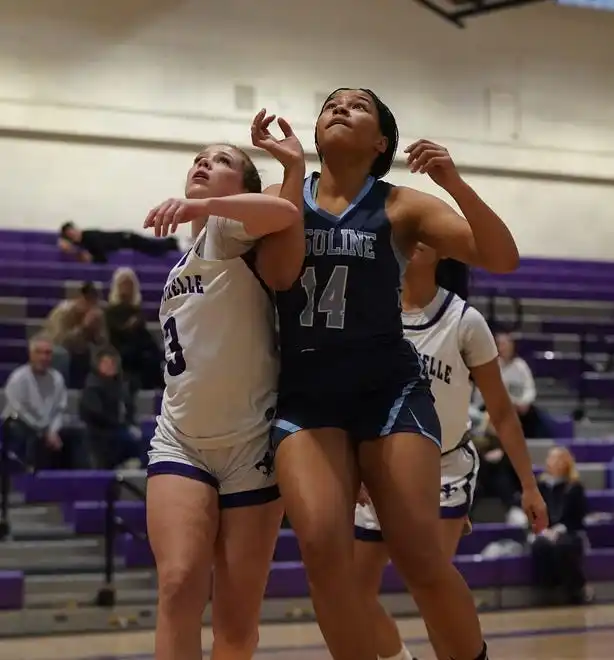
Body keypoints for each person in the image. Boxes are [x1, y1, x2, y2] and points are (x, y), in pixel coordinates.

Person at [270, 87, 526, 660]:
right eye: (331, 104)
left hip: (388, 391)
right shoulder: (280, 196)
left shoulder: (402, 206)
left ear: (381, 141)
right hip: (307, 396)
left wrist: (454, 185)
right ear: (314, 134)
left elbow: (502, 257)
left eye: (357, 106)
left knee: (419, 557)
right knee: (324, 559)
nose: (340, 109)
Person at [141, 112, 306, 660]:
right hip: (180, 438)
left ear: (242, 188)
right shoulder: (180, 262)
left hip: (248, 446)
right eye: (200, 158)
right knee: (178, 584)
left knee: (236, 623)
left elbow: (284, 210)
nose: (205, 164)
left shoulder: (229, 233)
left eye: (223, 161)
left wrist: (206, 205)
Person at [353, 246, 548, 660]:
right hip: (381, 469)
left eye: (426, 233)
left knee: (430, 590)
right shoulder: (373, 310)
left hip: (444, 469)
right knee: (351, 591)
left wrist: (530, 486)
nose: (413, 240)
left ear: (444, 250)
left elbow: (502, 413)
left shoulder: (465, 321)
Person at [2, 333, 86, 470]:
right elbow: (20, 412)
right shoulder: (18, 378)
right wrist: (44, 432)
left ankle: (80, 480)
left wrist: (52, 431)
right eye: (39, 352)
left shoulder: (57, 378)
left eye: (48, 353)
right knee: (21, 432)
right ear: (31, 355)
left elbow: (59, 410)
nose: (43, 357)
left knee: (77, 432)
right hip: (23, 424)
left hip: (47, 427)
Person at [531, 446, 588, 605]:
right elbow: (533, 513)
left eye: (558, 459)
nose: (553, 462)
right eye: (551, 458)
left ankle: (575, 590)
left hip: (569, 531)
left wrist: (559, 529)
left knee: (565, 545)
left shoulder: (575, 487)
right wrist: (543, 530)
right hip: (544, 530)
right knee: (541, 546)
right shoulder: (541, 485)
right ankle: (547, 590)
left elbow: (578, 518)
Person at [79, 347, 144, 469]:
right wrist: (123, 426)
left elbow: (129, 408)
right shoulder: (93, 387)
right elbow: (97, 414)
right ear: (98, 365)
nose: (110, 366)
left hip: (122, 428)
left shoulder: (120, 385)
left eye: (113, 363)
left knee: (149, 438)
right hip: (103, 433)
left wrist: (130, 424)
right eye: (106, 363)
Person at [106, 267, 163, 391]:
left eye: (129, 284)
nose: (127, 287)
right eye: (123, 284)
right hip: (119, 351)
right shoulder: (110, 312)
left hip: (137, 351)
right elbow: (114, 335)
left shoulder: (137, 312)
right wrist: (129, 327)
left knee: (152, 353)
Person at [58, 220, 179, 264]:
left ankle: (174, 243)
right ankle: (172, 243)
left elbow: (101, 257)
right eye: (70, 234)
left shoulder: (89, 236)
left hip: (126, 239)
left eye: (72, 231)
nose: (73, 234)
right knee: (152, 248)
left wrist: (91, 259)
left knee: (152, 247)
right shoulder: (83, 242)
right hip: (125, 240)